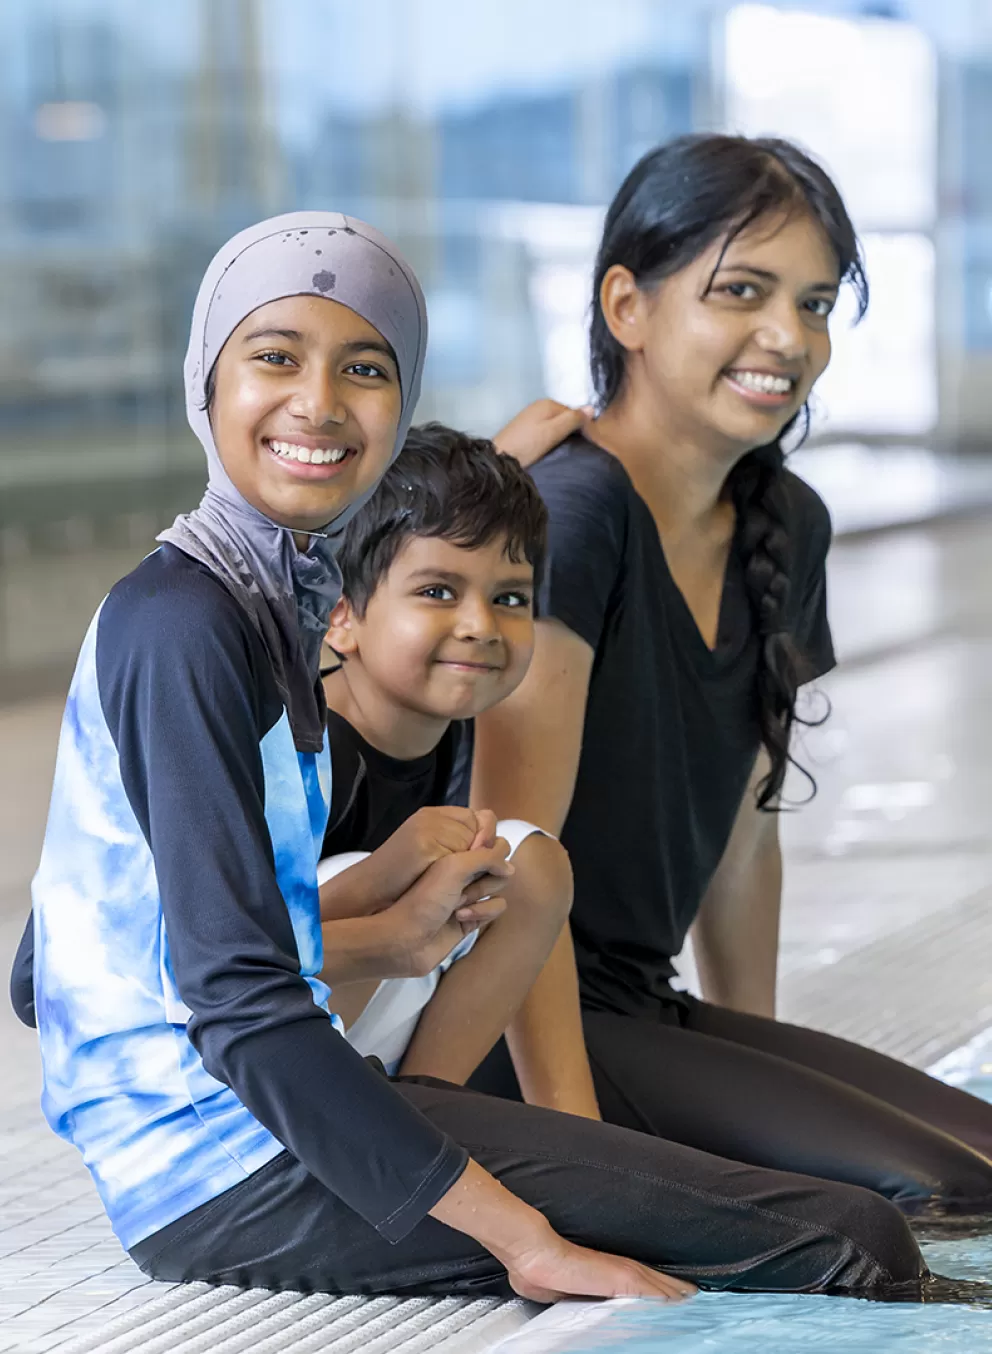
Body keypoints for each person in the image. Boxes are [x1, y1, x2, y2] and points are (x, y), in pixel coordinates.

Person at [19, 210, 927, 1302]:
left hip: (265, 1135)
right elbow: (240, 1005)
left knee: (851, 1227)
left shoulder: (262, 611)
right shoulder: (186, 626)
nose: (319, 402)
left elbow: (51, 958)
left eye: (365, 369)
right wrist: (523, 1237)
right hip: (226, 1169)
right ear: (204, 383)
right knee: (851, 1242)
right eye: (274, 357)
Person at [470, 133, 992, 1218]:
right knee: (939, 1191)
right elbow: (507, 865)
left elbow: (745, 841)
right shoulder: (573, 514)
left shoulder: (783, 521)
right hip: (509, 1029)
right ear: (627, 306)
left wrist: (757, 1064)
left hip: (642, 1007)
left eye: (813, 304)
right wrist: (576, 1151)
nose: (786, 338)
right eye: (742, 291)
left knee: (979, 1156)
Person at [312, 423, 600, 1113]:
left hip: (349, 1049)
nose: (481, 626)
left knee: (527, 863)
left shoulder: (440, 726)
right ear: (340, 616)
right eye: (439, 592)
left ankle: (434, 1116)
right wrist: (387, 877)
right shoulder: (301, 749)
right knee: (390, 870)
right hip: (223, 1082)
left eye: (510, 599)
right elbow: (220, 956)